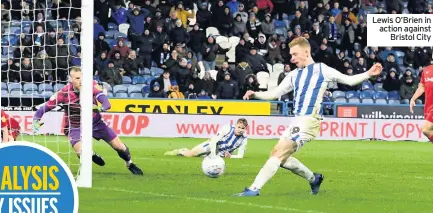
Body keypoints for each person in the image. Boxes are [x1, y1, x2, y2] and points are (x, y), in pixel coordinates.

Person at [234, 37, 383, 196]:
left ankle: (254, 189)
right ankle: (314, 179)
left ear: (306, 52)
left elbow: (349, 80)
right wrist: (255, 93)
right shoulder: (293, 75)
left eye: (295, 54)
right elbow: (275, 93)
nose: (292, 59)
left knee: (279, 152)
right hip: (297, 120)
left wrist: (368, 73)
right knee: (281, 158)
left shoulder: (322, 69)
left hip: (309, 120)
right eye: (291, 55)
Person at [32, 67, 143, 175]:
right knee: (81, 152)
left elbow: (106, 103)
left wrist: (100, 108)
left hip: (95, 123)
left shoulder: (91, 86)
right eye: (77, 78)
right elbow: (44, 108)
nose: (80, 81)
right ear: (70, 79)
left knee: (120, 147)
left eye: (81, 78)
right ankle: (90, 154)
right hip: (75, 125)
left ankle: (129, 163)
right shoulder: (63, 93)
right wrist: (36, 120)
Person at [164, 118, 248, 158]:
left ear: (246, 129)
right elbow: (214, 141)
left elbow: (240, 156)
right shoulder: (228, 128)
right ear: (236, 125)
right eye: (239, 127)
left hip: (221, 154)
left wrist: (230, 156)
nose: (240, 130)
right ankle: (180, 151)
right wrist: (213, 154)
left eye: (242, 128)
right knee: (191, 154)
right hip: (211, 146)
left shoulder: (244, 139)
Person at [410, 64, 433, 143]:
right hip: (428, 106)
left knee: (425, 129)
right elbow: (422, 87)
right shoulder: (426, 70)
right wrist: (413, 99)